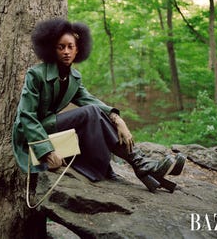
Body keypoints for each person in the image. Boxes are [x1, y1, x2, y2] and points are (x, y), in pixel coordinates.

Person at [12, 18, 185, 193]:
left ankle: (141, 164)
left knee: (95, 113)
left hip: (53, 129)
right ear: (52, 50)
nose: (66, 51)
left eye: (70, 47)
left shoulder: (74, 77)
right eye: (61, 47)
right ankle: (140, 163)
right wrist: (47, 152)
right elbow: (26, 116)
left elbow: (90, 100)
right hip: (32, 135)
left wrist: (117, 119)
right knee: (90, 113)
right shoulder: (36, 74)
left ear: (78, 49)